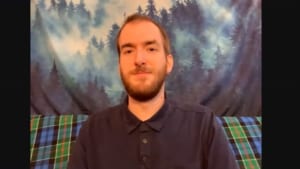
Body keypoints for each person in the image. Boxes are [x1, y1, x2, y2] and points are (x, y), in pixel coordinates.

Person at [67, 13, 239, 169]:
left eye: (151, 49)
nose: (139, 59)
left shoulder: (204, 125)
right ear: (120, 65)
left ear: (168, 63)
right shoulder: (92, 131)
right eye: (128, 50)